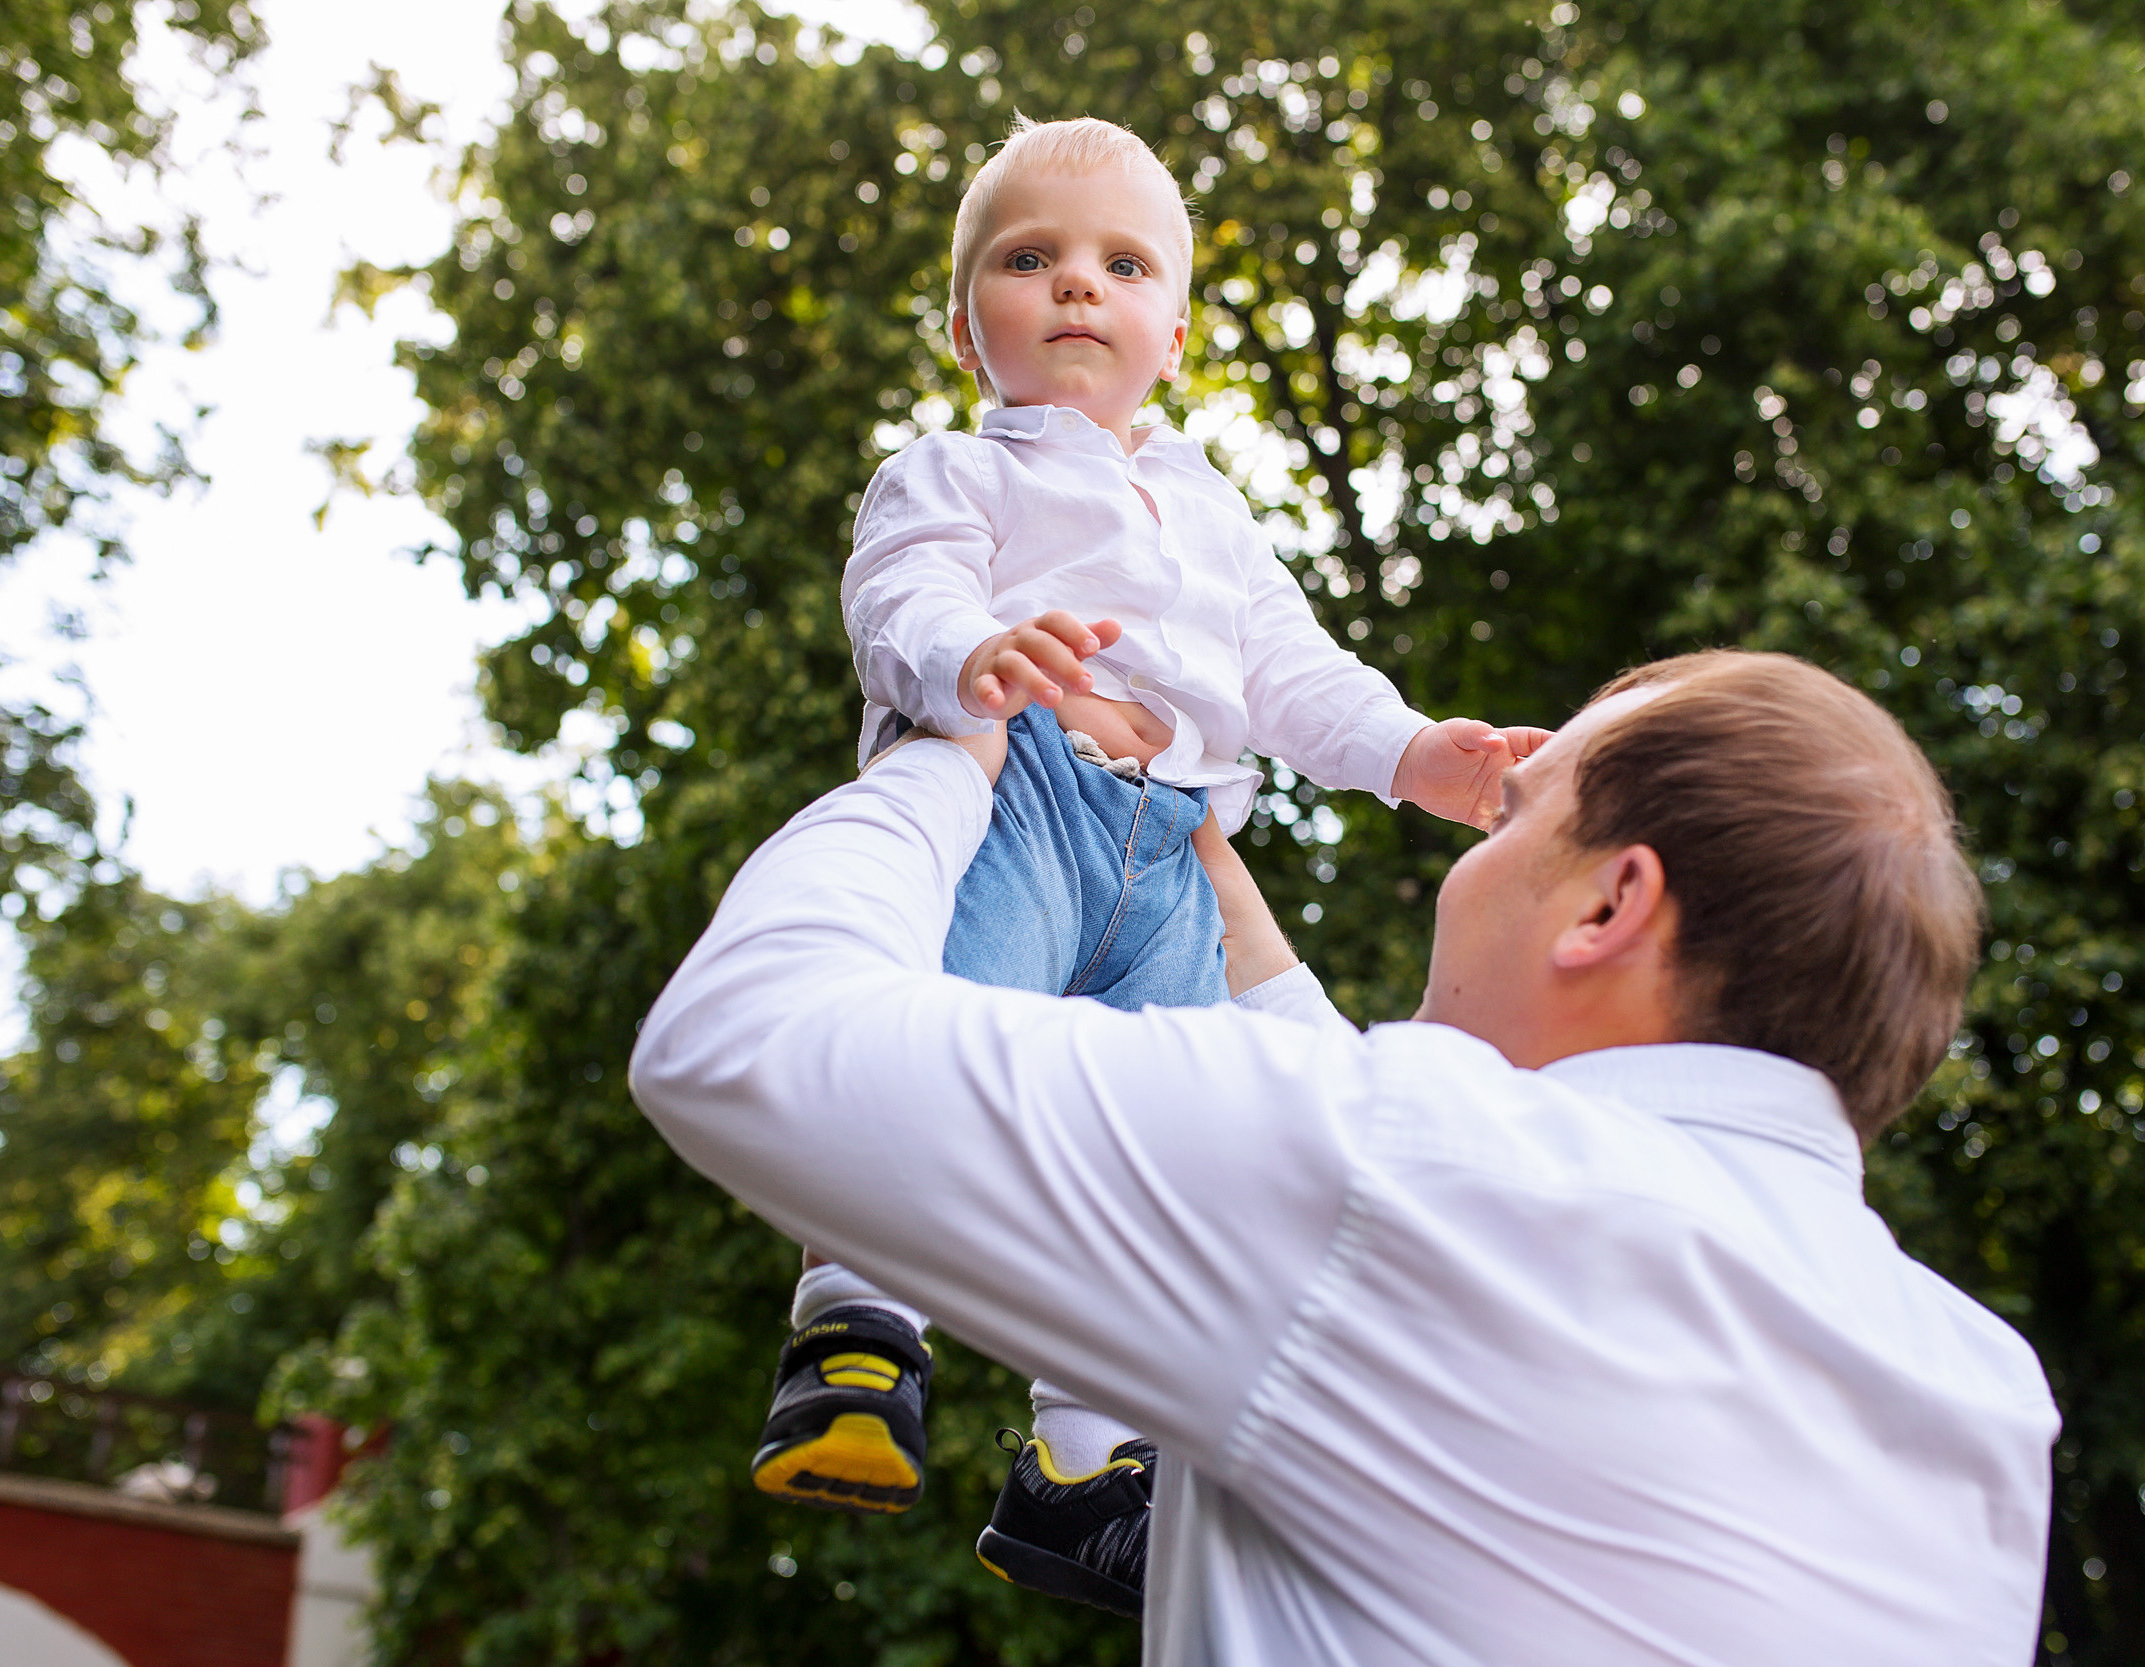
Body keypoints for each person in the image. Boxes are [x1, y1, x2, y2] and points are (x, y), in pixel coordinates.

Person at [630, 649, 2063, 1664]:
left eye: (1514, 819)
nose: (1468, 857)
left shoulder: (1421, 1178)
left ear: (1612, 904)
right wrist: (1168, 831)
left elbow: (747, 1038)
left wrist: (951, 755)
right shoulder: (1982, 1404)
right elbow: (1339, 1121)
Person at [761, 111, 1543, 1613]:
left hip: (1172, 858)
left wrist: (1408, 755)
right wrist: (975, 654)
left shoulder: (1213, 514)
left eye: (1121, 266)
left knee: (1166, 1161)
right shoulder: (952, 474)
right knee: (936, 1046)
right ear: (962, 320)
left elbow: (1294, 675)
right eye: (1029, 259)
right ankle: (855, 1330)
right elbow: (896, 598)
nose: (1075, 288)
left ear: (1172, 336)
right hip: (1026, 801)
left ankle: (1079, 1467)